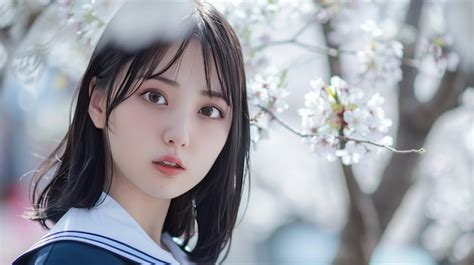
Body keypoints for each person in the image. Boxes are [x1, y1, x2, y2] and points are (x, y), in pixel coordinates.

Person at [13, 0, 250, 264]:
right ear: (98, 102)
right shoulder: (72, 256)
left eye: (209, 111)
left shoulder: (173, 256)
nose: (179, 135)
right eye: (155, 96)